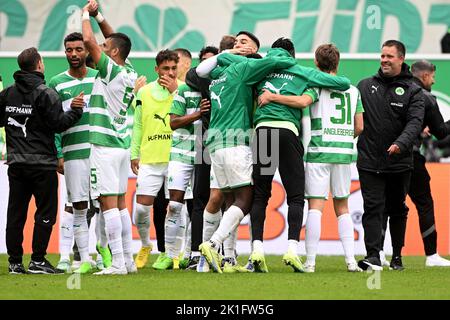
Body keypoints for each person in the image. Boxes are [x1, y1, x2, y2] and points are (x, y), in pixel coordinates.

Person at [247, 40, 351, 273]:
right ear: (292, 55)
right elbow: (343, 83)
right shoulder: (301, 72)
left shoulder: (260, 69)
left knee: (260, 194)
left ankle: (256, 250)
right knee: (295, 196)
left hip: (263, 132)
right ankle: (292, 250)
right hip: (287, 131)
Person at [196, 46, 296, 273]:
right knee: (246, 198)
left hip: (214, 141)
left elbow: (201, 70)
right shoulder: (243, 68)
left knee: (230, 198)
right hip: (235, 140)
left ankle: (228, 259)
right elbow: (276, 63)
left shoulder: (217, 75)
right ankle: (212, 244)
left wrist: (224, 54)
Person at [0, 47, 83, 274]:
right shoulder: (46, 93)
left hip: (16, 163)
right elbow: (59, 124)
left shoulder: (7, 94)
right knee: (45, 212)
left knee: (16, 213)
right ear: (38, 64)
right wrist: (76, 112)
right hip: (42, 164)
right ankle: (37, 261)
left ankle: (15, 263)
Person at [356, 40, 425, 271]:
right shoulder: (364, 86)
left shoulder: (413, 90)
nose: (384, 60)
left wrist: (400, 143)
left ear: (401, 59)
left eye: (390, 56)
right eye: (382, 55)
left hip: (399, 162)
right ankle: (373, 256)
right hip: (369, 161)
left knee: (397, 209)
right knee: (373, 207)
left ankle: (396, 256)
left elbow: (415, 123)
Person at [82, 0, 137, 275]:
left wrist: (83, 15)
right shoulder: (129, 71)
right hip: (121, 146)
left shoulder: (111, 71)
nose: (100, 49)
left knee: (107, 204)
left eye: (106, 49)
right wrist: (99, 15)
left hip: (103, 147)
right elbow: (111, 40)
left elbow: (89, 40)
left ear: (113, 53)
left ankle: (116, 264)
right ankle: (127, 260)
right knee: (121, 203)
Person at [380, 60, 450, 267]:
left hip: (385, 156)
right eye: (433, 77)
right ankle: (431, 255)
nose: (434, 81)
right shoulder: (425, 97)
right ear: (426, 76)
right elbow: (441, 133)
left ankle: (379, 254)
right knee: (424, 204)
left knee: (386, 206)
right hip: (410, 158)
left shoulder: (391, 90)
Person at [48, 32, 100, 274]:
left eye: (78, 49)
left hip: (100, 152)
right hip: (72, 153)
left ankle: (100, 255)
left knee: (104, 204)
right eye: (69, 50)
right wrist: (58, 153)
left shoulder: (99, 78)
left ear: (87, 51)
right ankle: (69, 257)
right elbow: (53, 123)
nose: (74, 54)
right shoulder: (56, 83)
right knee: (75, 205)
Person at [130, 49, 181, 269]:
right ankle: (145, 245)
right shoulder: (144, 92)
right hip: (150, 159)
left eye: (173, 69)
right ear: (156, 69)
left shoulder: (184, 90)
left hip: (176, 158)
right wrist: (134, 153)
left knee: (176, 209)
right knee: (141, 209)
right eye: (165, 69)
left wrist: (176, 91)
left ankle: (171, 254)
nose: (169, 73)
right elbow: (138, 124)